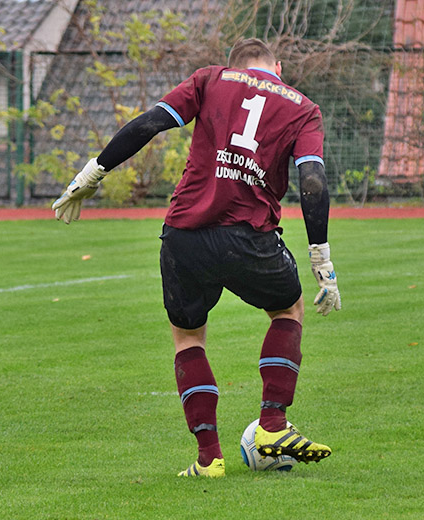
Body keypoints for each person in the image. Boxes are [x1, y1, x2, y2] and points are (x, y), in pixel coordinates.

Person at [52, 38, 341, 478]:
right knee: (287, 308)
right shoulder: (302, 107)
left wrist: (94, 172)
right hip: (250, 237)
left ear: (236, 64)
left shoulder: (210, 78)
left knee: (188, 338)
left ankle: (209, 460)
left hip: (185, 235)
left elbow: (149, 124)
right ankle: (272, 426)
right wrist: (320, 255)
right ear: (277, 67)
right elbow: (313, 181)